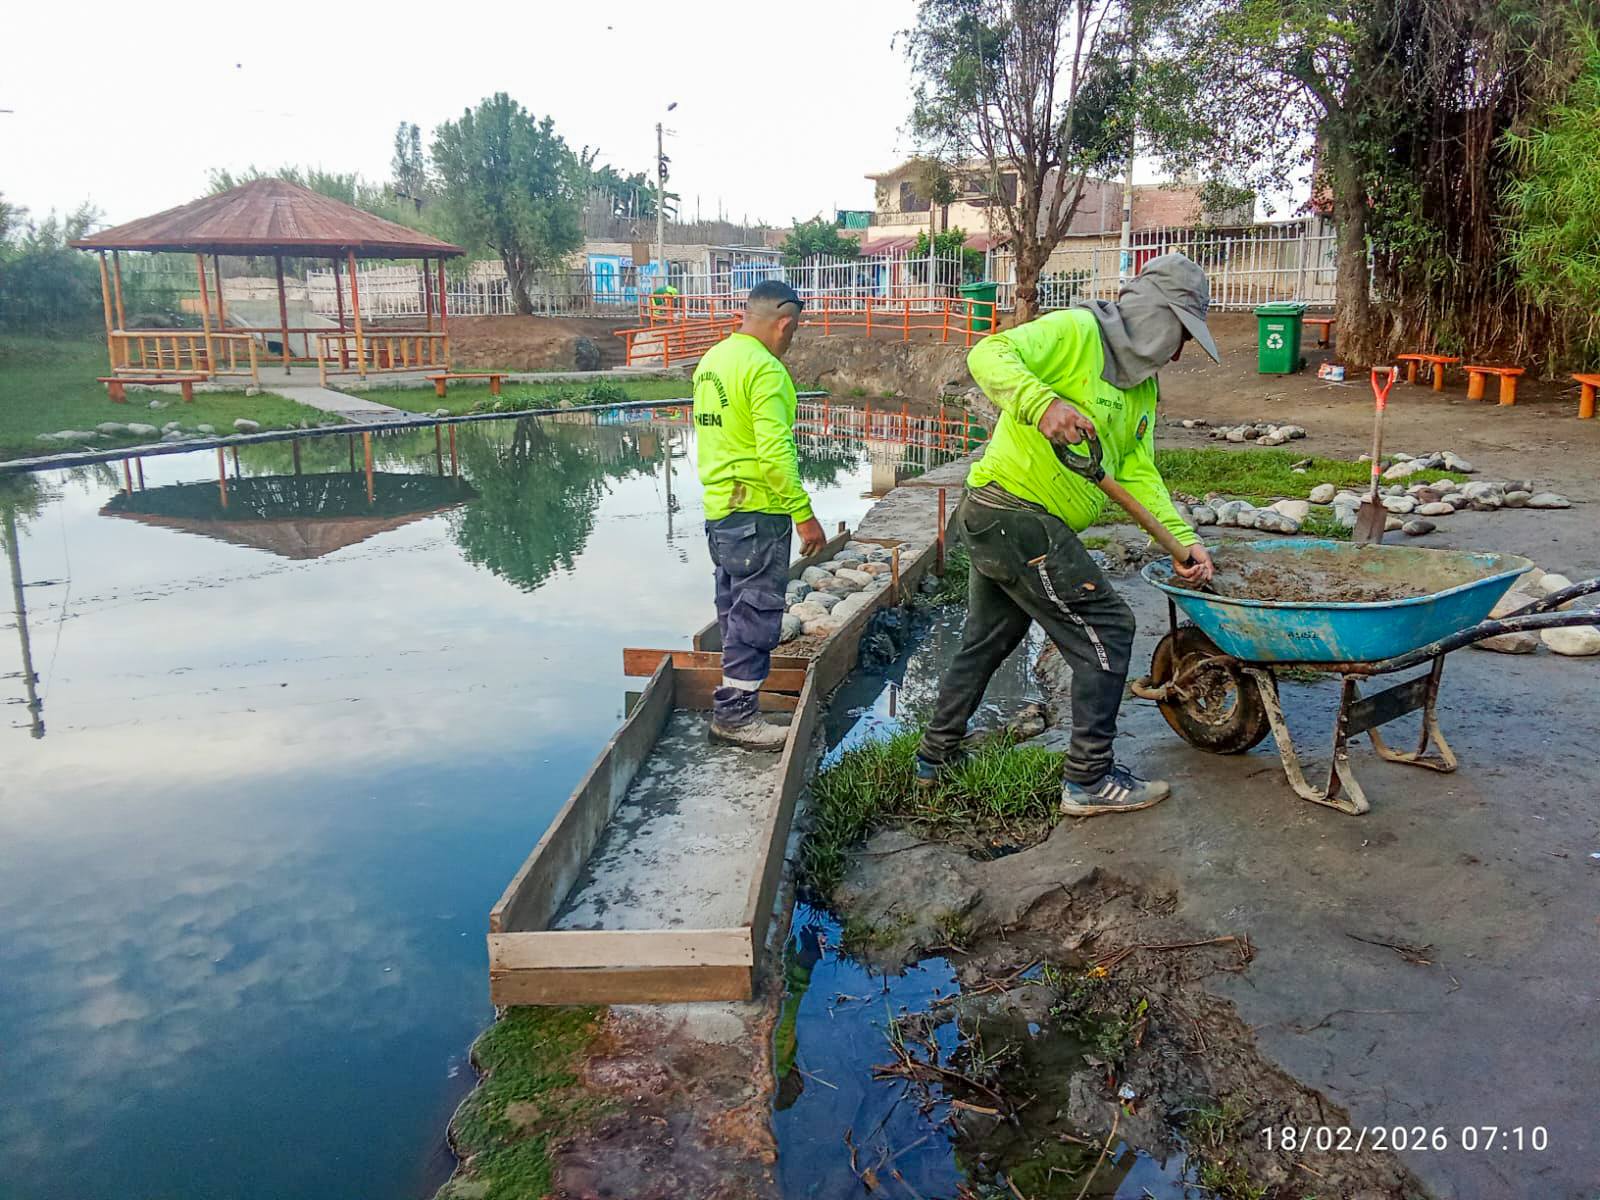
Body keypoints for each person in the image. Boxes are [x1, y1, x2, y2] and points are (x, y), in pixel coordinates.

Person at [915, 253, 1220, 815]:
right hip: (1011, 511)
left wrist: (1180, 537)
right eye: (1179, 332)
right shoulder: (1078, 331)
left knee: (988, 641)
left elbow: (1134, 471)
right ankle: (1089, 779)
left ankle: (935, 760)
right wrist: (1042, 402)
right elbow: (988, 352)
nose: (1179, 351)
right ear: (1154, 313)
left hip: (1010, 521)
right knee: (1110, 627)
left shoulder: (1142, 389)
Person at [693, 279, 827, 750]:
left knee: (732, 610)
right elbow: (774, 454)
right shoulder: (766, 371)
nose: (792, 340)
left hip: (720, 512)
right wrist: (803, 512)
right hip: (757, 511)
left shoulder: (713, 362)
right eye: (794, 331)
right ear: (784, 322)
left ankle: (732, 703)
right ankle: (736, 718)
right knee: (756, 615)